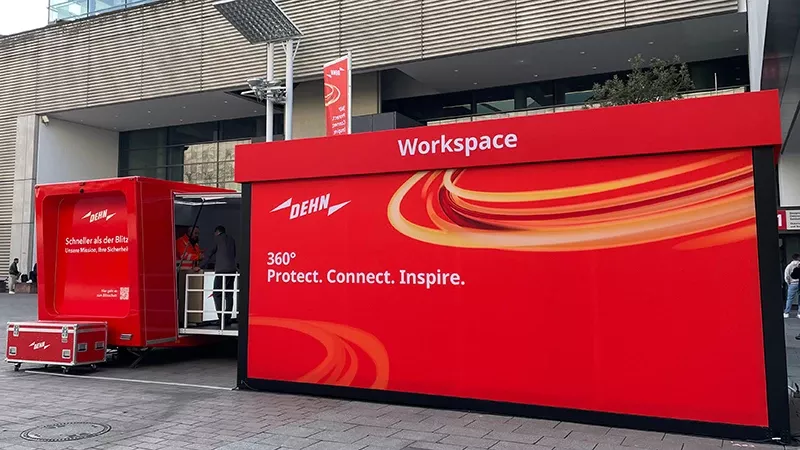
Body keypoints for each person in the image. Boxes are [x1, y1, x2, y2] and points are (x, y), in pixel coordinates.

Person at [202, 226, 237, 326]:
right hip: (232, 270)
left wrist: (201, 266)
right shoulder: (232, 239)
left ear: (217, 232)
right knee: (229, 294)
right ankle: (228, 318)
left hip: (222, 271)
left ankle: (221, 318)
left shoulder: (217, 239)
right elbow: (233, 254)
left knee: (217, 294)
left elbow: (209, 253)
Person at [176, 227, 203, 327]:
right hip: (181, 273)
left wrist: (198, 257)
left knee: (190, 298)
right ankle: (181, 320)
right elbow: (185, 256)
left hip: (192, 274)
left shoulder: (195, 244)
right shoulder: (180, 241)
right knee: (181, 298)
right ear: (189, 233)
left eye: (198, 233)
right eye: (195, 233)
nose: (197, 235)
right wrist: (198, 256)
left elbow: (198, 254)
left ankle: (190, 318)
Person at [785, 253, 800, 318]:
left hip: (792, 284)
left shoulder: (789, 266)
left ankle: (787, 312)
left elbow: (787, 275)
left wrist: (788, 282)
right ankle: (799, 313)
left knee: (789, 299)